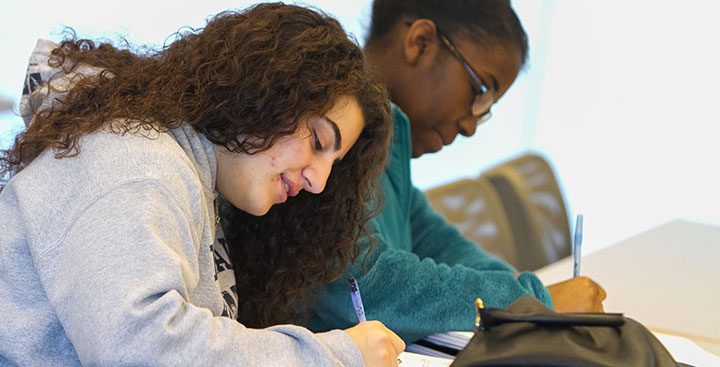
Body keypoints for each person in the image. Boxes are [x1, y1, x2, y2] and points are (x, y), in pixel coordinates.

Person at [0, 3, 405, 366]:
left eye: (332, 164)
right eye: (318, 141)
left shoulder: (186, 171)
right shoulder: (136, 162)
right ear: (267, 92)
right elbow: (138, 349)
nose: (318, 181)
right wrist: (333, 357)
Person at [294, 0, 607, 344]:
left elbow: (436, 241)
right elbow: (361, 283)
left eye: (485, 110)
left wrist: (517, 288)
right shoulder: (321, 145)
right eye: (479, 92)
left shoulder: (386, 152)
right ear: (421, 42)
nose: (472, 126)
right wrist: (527, 303)